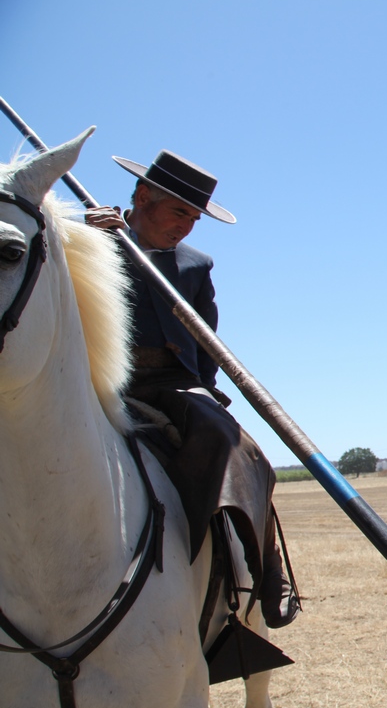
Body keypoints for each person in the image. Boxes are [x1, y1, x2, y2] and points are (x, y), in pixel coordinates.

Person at [86, 151, 300, 629]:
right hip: (103, 381)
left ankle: (269, 572)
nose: (187, 226)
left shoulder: (197, 265)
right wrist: (82, 236)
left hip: (177, 385)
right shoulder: (90, 241)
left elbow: (207, 340)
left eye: (194, 217)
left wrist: (207, 393)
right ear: (142, 197)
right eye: (179, 211)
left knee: (246, 452)